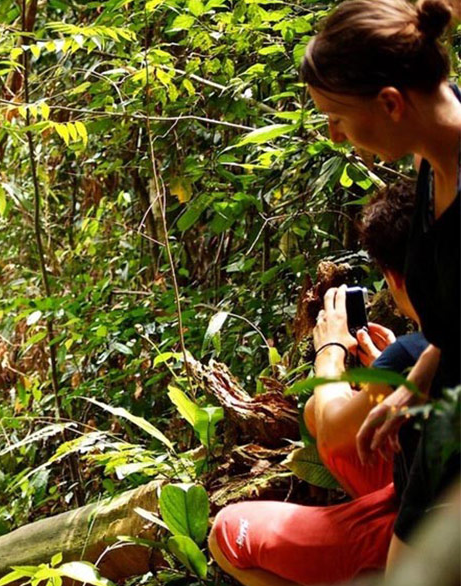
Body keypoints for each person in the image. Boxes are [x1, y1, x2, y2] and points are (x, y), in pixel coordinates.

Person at [300, 0, 460, 564]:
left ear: (391, 103)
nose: (335, 136)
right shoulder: (429, 165)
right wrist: (410, 383)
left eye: (337, 118)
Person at [208, 182, 426, 586]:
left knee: (228, 532)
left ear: (394, 276)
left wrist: (328, 350)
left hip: (427, 540)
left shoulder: (420, 353)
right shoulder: (425, 354)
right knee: (316, 410)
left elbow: (331, 433)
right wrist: (385, 369)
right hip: (434, 492)